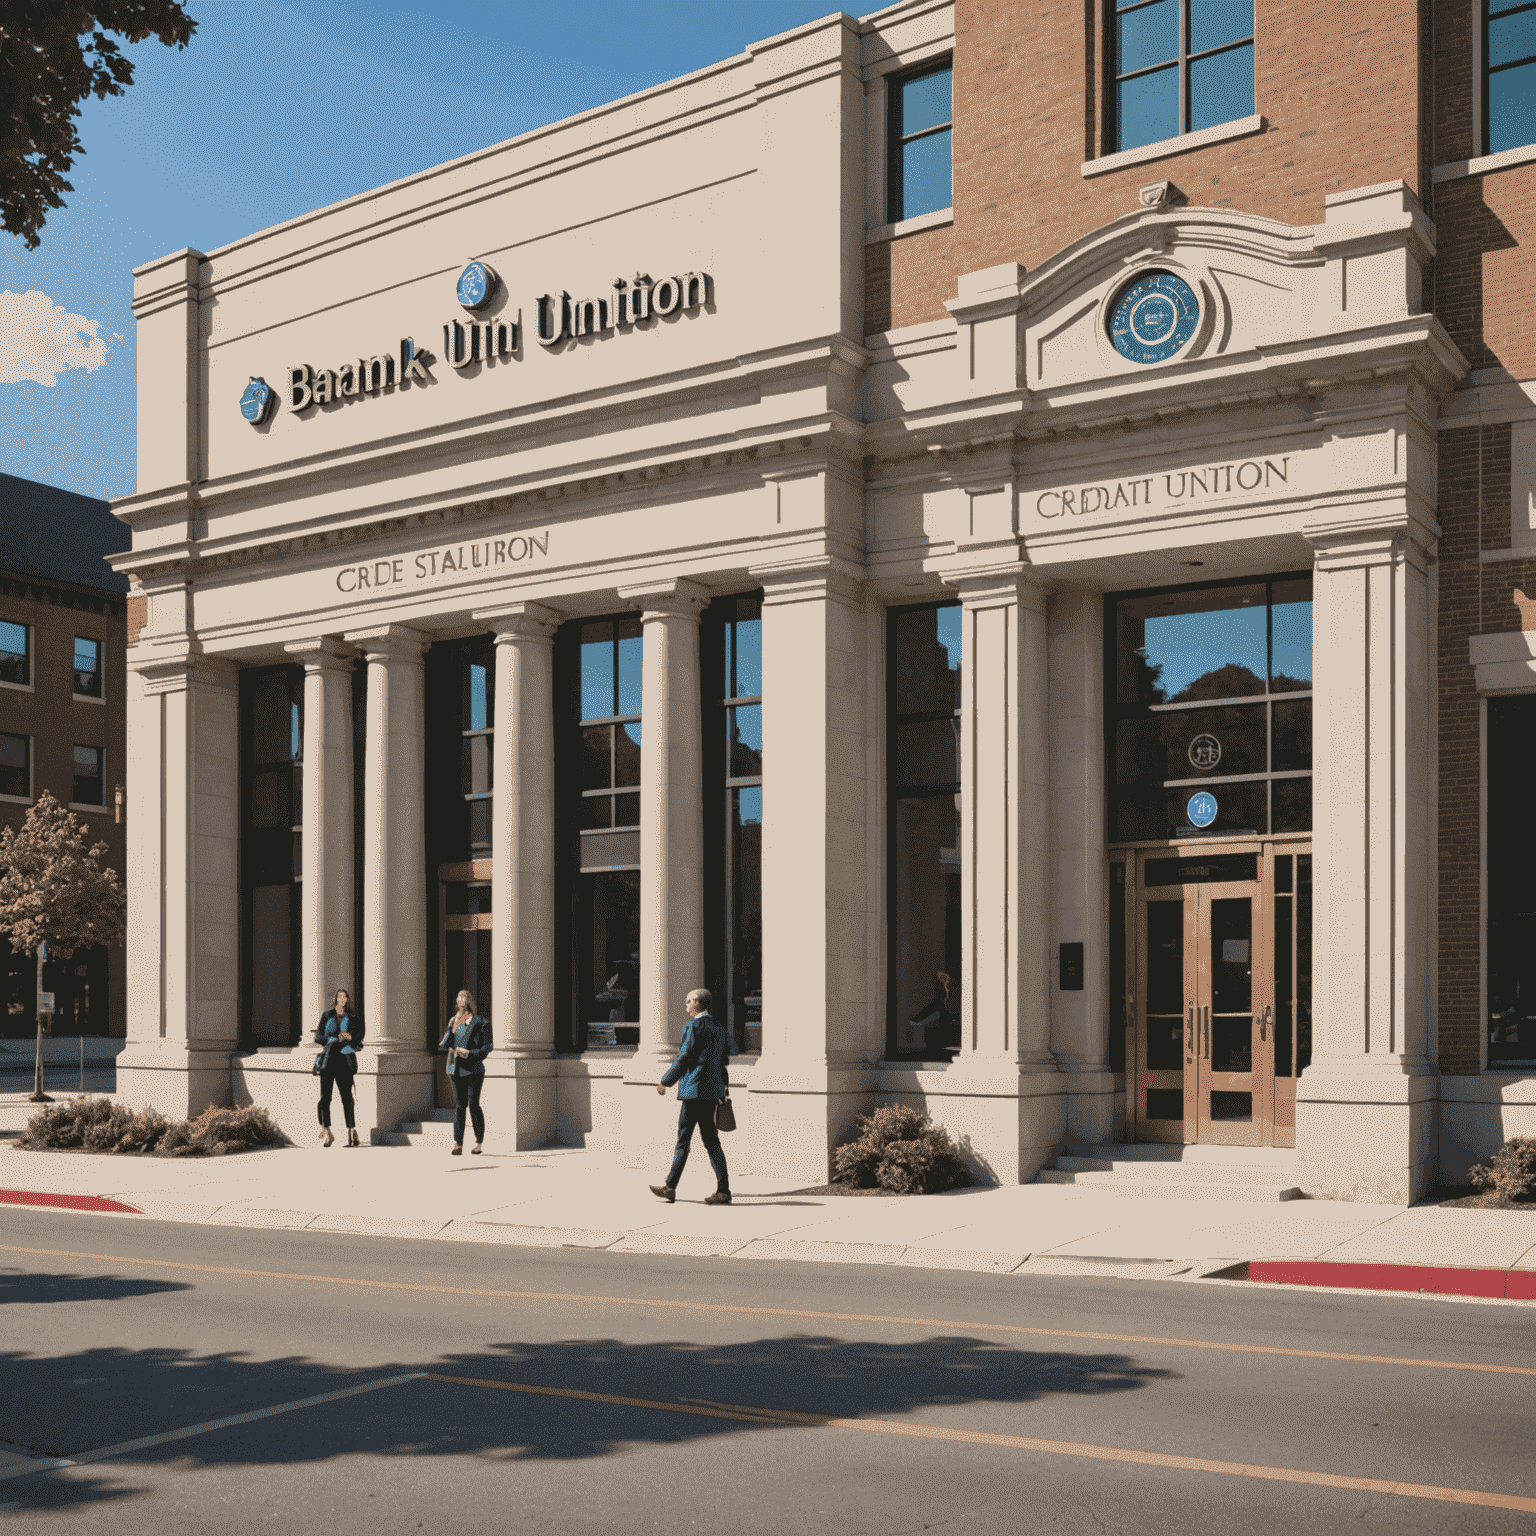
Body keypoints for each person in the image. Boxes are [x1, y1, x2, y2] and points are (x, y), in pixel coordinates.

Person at [650, 987, 735, 1205]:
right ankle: (723, 1190)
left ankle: (670, 1187)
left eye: (689, 1001)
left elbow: (684, 1057)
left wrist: (665, 1081)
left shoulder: (693, 1026)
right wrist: (723, 1089)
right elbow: (725, 1059)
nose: (686, 1005)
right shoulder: (719, 1027)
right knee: (712, 1142)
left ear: (697, 1003)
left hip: (693, 1092)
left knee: (683, 1142)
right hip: (711, 1092)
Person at [439, 989, 492, 1155]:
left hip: (473, 1070)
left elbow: (486, 1048)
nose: (459, 999)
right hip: (455, 1069)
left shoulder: (481, 1023)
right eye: (458, 996)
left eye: (463, 996)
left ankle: (478, 1143)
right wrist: (453, 1028)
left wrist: (469, 1053)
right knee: (459, 1107)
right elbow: (444, 1044)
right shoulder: (454, 1020)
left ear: (469, 1000)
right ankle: (458, 1143)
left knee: (473, 1105)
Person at [315, 988, 364, 1148]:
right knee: (325, 1098)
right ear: (335, 998)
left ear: (348, 999)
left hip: (344, 1059)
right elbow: (318, 1037)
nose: (342, 999)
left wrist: (350, 1039)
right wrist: (331, 1039)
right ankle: (327, 1131)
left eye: (345, 996)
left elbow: (359, 1038)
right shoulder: (327, 1015)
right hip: (328, 1060)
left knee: (347, 1098)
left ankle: (351, 1131)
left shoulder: (353, 1017)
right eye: (339, 996)